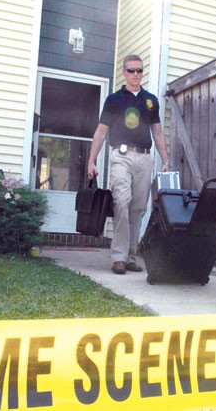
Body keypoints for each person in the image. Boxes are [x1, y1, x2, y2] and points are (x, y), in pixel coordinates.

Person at [87, 55, 169, 274]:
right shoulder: (114, 100)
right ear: (124, 72)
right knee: (121, 201)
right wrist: (91, 160)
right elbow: (101, 131)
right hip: (121, 156)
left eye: (139, 70)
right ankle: (118, 257)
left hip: (144, 157)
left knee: (138, 208)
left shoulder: (150, 100)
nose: (135, 74)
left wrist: (166, 159)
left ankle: (130, 255)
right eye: (131, 70)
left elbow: (158, 132)